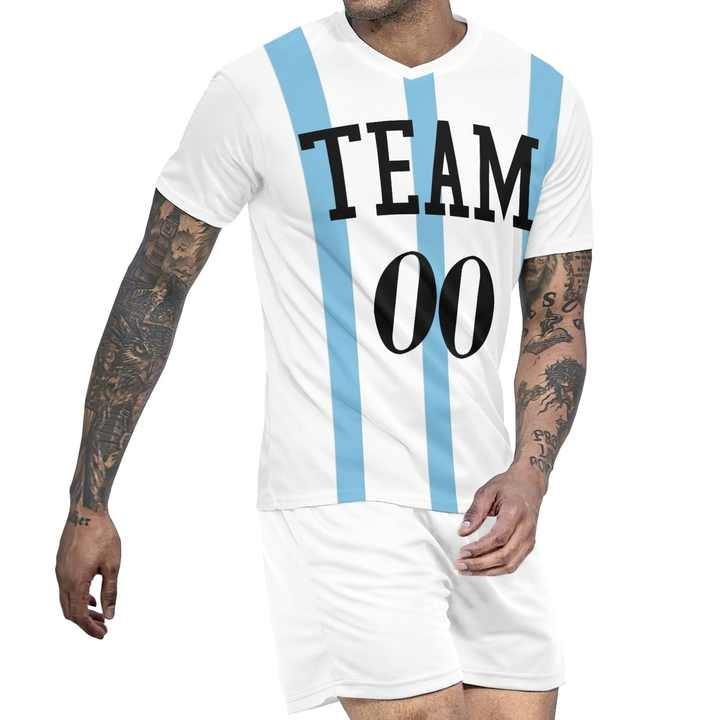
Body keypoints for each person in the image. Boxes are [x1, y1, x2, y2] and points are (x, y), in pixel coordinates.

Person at [55, 1, 593, 718]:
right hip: (338, 496)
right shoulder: (261, 87)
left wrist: (530, 473)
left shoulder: (542, 98)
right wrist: (88, 504)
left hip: (484, 500)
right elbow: (156, 285)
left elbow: (557, 318)